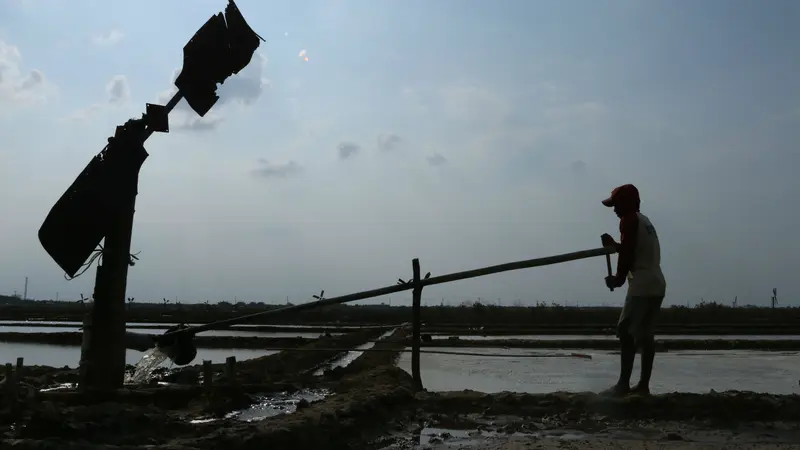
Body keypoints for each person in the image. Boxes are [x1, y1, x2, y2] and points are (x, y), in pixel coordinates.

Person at [600, 184, 666, 396]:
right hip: (656, 282)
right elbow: (632, 248)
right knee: (645, 335)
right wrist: (614, 245)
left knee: (625, 331)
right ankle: (643, 386)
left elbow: (628, 255)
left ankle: (622, 385)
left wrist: (618, 279)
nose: (614, 210)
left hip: (642, 284)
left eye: (616, 205)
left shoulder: (627, 220)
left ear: (626, 203)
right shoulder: (643, 221)